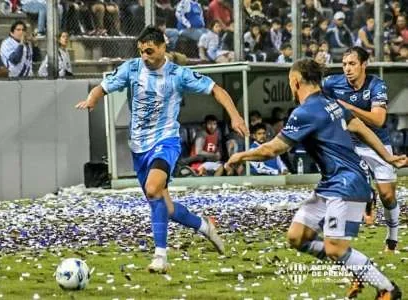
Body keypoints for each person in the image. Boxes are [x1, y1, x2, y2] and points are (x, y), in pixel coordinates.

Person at [225, 58, 404, 300]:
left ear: (295, 81)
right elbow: (360, 127)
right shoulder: (331, 103)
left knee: (335, 248)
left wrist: (241, 156)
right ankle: (355, 268)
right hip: (333, 182)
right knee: (297, 236)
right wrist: (388, 158)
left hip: (347, 182)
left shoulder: (305, 111)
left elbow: (272, 150)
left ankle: (387, 289)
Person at [75, 26, 248, 273]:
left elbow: (216, 90)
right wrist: (92, 99)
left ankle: (160, 257)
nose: (144, 56)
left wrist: (235, 117)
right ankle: (204, 227)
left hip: (165, 142)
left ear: (162, 47)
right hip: (139, 148)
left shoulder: (178, 74)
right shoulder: (132, 68)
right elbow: (102, 87)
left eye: (149, 51)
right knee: (165, 207)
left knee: (153, 188)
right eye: (141, 51)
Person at [322, 46, 400, 253]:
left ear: (364, 65)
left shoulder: (376, 85)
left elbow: (378, 119)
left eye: (352, 64)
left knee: (388, 196)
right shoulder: (331, 83)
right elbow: (310, 93)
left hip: (377, 143)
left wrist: (348, 108)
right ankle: (365, 196)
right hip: (349, 144)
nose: (347, 69)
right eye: (344, 64)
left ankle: (392, 237)